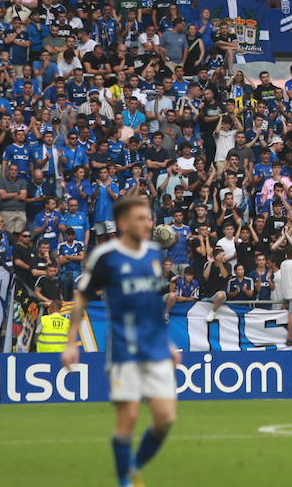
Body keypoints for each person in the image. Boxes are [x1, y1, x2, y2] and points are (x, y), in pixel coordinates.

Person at [62, 195, 178, 487]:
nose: (148, 223)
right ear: (124, 224)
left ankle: (133, 466)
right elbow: (81, 296)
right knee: (129, 417)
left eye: (149, 217)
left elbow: (152, 305)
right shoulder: (107, 256)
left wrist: (168, 343)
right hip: (124, 350)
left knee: (165, 418)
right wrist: (70, 341)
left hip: (156, 349)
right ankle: (125, 480)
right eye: (141, 218)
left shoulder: (154, 254)